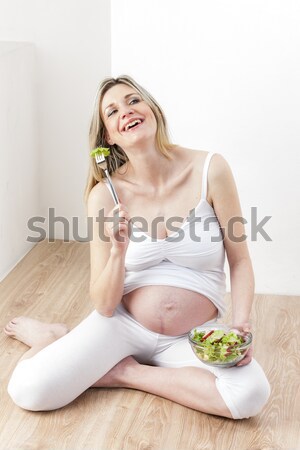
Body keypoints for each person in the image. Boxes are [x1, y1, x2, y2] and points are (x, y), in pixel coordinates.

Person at [4, 75, 270, 419]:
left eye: (133, 101)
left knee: (250, 394)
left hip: (192, 336)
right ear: (109, 138)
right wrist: (117, 252)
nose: (125, 112)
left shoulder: (209, 169)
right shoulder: (105, 195)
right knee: (28, 389)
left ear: (152, 110)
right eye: (111, 111)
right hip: (121, 326)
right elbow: (103, 302)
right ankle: (51, 337)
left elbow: (240, 262)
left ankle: (124, 372)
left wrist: (240, 325)